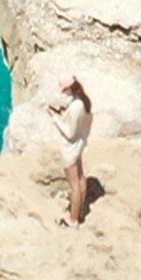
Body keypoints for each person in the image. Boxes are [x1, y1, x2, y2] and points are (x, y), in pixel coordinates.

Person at [46, 72, 95, 223]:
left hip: (70, 149)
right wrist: (62, 112)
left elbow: (69, 133)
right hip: (79, 145)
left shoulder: (76, 107)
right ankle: (80, 212)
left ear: (70, 89)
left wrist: (54, 118)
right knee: (81, 178)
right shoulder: (83, 102)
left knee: (74, 185)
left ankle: (73, 220)